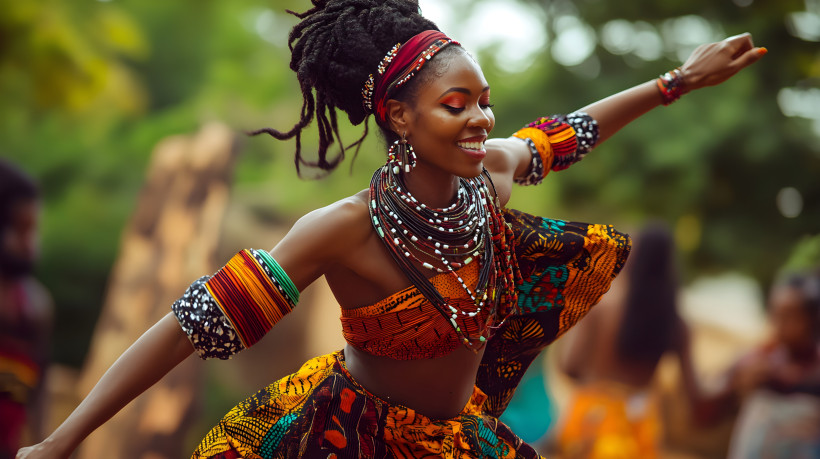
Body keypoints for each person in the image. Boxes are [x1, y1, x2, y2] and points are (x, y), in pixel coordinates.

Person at [17, 1, 765, 458]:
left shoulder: (490, 179)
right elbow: (189, 326)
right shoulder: (341, 230)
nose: (481, 119)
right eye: (456, 105)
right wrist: (60, 440)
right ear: (400, 116)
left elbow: (569, 132)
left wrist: (676, 82)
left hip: (459, 442)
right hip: (348, 440)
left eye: (484, 100)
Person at [554, 222, 699, 459]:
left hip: (592, 423)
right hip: (640, 425)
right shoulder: (677, 322)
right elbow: (694, 395)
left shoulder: (600, 304)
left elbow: (569, 366)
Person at [706, 270, 820, 458]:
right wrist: (734, 383)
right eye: (776, 314)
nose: (779, 325)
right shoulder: (759, 359)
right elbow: (705, 408)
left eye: (790, 316)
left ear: (813, 319)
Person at [0, 160, 52, 459]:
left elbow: (37, 398)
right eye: (21, 230)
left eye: (33, 230)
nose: (30, 244)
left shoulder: (36, 308)